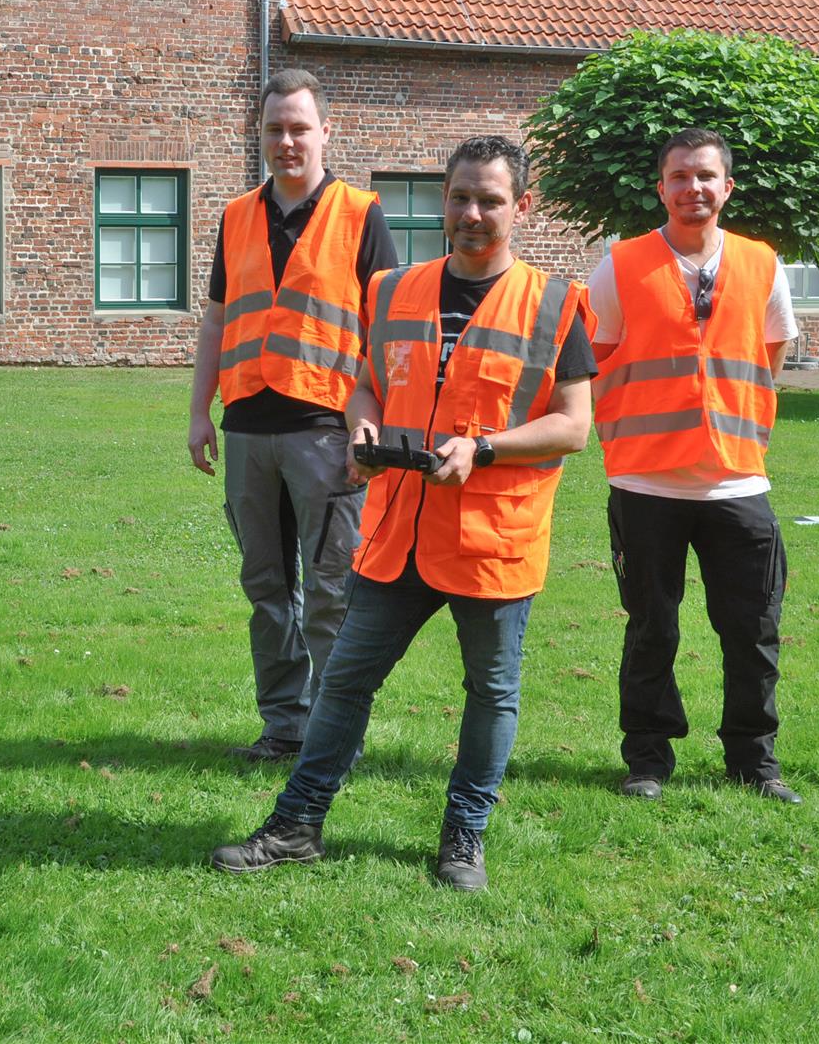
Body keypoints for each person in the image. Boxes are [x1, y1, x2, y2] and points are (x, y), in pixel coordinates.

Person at [210, 135, 595, 891]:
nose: (473, 214)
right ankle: (297, 825)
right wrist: (360, 428)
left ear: (522, 206)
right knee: (346, 681)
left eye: (490, 200)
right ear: (441, 202)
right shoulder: (391, 290)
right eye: (460, 198)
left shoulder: (554, 303)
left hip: (493, 540)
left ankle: (464, 837)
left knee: (491, 693)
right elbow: (365, 387)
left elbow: (573, 424)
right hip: (397, 534)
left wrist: (482, 450)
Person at [587, 127, 802, 806]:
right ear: (661, 188)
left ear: (727, 187)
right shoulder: (619, 265)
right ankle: (647, 760)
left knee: (753, 629)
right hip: (645, 480)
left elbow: (772, 357)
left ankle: (754, 761)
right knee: (652, 627)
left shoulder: (763, 264)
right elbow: (592, 362)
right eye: (678, 177)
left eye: (705, 176)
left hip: (736, 480)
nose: (693, 189)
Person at [188, 68, 397, 763]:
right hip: (248, 428)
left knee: (332, 590)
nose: (287, 141)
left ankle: (335, 733)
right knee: (267, 589)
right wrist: (199, 413)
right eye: (275, 128)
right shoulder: (235, 215)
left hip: (325, 430)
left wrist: (372, 423)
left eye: (299, 128)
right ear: (260, 134)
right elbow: (217, 319)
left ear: (324, 132)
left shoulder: (361, 213)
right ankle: (284, 725)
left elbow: (385, 327)